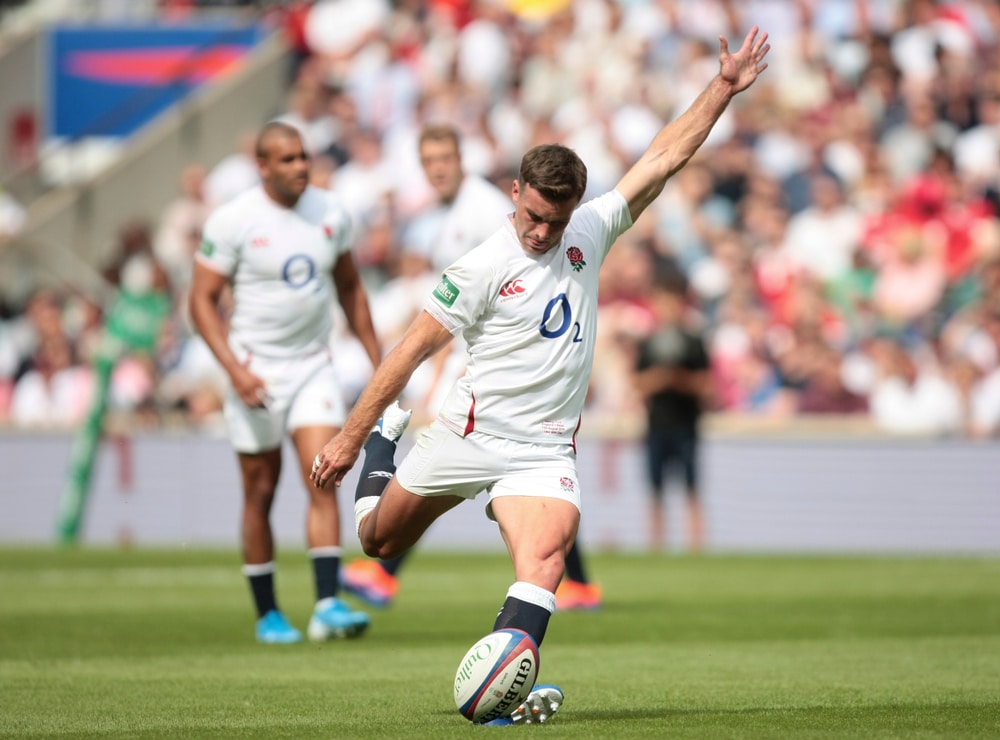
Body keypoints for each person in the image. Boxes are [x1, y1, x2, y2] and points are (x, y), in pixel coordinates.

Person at [310, 28, 769, 724]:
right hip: (468, 431)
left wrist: (722, 89)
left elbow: (665, 157)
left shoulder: (590, 232)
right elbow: (408, 350)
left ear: (573, 208)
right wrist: (351, 437)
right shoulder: (481, 267)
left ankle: (497, 696)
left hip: (542, 449)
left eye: (554, 222)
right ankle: (384, 448)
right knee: (379, 540)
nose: (539, 234)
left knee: (547, 559)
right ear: (515, 191)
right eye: (531, 215)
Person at [341, 124, 604, 611]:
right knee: (523, 480)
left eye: (445, 158)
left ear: (462, 159)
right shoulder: (436, 218)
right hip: (475, 354)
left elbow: (514, 288)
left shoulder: (487, 212)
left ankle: (386, 569)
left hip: (498, 362)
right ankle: (384, 556)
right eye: (429, 160)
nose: (438, 168)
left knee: (540, 479)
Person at [189, 121, 381, 644]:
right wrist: (235, 370)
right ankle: (269, 613)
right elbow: (200, 300)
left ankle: (326, 606)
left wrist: (379, 362)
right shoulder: (234, 221)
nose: (300, 166)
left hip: (313, 364)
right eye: (288, 159)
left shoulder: (331, 211)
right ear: (263, 166)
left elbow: (350, 288)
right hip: (256, 372)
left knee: (322, 476)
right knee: (260, 490)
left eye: (304, 157)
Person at [631, 270, 712, 552]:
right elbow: (638, 384)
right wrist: (658, 379)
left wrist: (676, 379)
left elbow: (705, 385)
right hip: (656, 426)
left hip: (686, 425)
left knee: (691, 489)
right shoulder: (648, 342)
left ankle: (696, 547)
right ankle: (656, 547)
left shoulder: (693, 340)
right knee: (655, 491)